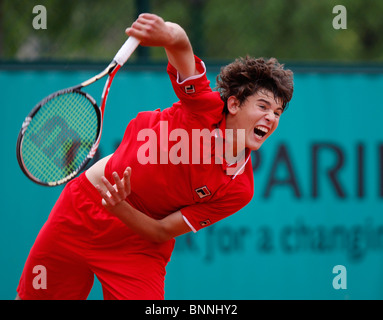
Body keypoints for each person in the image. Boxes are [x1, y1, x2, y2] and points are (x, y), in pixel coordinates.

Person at [16, 13, 294, 300]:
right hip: (81, 212)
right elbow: (181, 45)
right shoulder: (204, 107)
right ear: (233, 104)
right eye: (262, 106)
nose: (270, 118)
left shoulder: (239, 189)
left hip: (138, 246)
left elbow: (161, 231)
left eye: (277, 113)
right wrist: (165, 32)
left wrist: (119, 206)